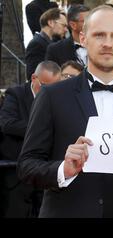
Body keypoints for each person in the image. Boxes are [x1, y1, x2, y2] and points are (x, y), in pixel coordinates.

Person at [17, 5, 113, 218]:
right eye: (99, 35)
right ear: (83, 39)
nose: (108, 44)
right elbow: (27, 166)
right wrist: (63, 169)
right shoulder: (52, 96)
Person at [0, 61, 61, 218]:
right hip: (16, 174)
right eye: (45, 86)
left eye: (54, 87)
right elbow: (7, 124)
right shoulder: (16, 94)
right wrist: (40, 129)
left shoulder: (57, 98)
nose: (49, 91)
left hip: (44, 174)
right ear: (34, 78)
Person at [25, 8, 68, 81]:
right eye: (63, 25)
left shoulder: (50, 43)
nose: (66, 30)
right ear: (51, 23)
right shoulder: (36, 44)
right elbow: (33, 75)